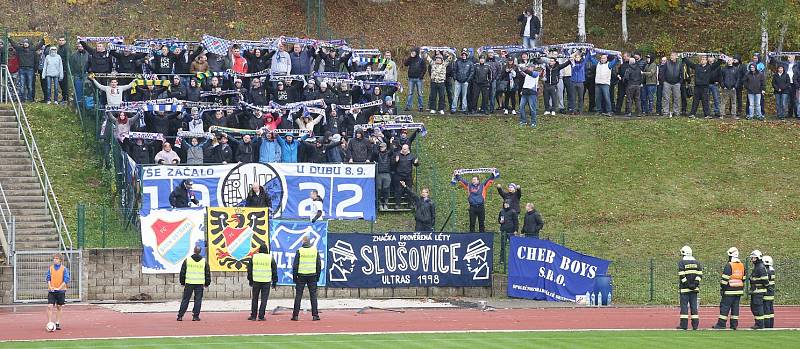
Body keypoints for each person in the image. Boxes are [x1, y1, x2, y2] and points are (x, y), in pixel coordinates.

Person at [712, 247, 745, 330]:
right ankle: (734, 325)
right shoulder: (741, 265)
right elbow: (743, 278)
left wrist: (723, 289)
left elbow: (724, 279)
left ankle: (721, 324)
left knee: (724, 307)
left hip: (729, 290)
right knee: (735, 308)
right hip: (739, 291)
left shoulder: (729, 265)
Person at [291, 236, 321, 321]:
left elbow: (295, 265)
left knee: (298, 295)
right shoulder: (315, 250)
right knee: (313, 296)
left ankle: (295, 315)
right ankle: (315, 315)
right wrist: (317, 276)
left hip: (301, 275)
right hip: (312, 275)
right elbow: (318, 264)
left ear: (303, 241)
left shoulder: (299, 251)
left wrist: (294, 277)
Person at [177, 246, 210, 321]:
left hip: (189, 283)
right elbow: (207, 273)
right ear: (200, 251)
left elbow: (182, 272)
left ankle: (180, 316)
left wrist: (182, 282)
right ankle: (195, 316)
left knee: (185, 299)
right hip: (199, 283)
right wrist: (207, 283)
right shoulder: (203, 261)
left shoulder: (187, 260)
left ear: (194, 251)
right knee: (198, 300)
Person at [247, 245, 278, 321]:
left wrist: (250, 280)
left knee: (255, 299)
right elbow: (274, 271)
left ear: (259, 250)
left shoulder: (254, 257)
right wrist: (274, 282)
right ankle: (261, 316)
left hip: (256, 281)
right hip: (266, 281)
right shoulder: (270, 258)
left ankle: (253, 316)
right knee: (264, 300)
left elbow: (249, 270)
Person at [676, 245, 702, 330]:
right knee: (694, 307)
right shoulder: (697, 263)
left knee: (684, 307)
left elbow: (682, 275)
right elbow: (699, 275)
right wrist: (695, 284)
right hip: (694, 289)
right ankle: (695, 325)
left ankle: (684, 325)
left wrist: (687, 284)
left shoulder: (682, 263)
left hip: (684, 289)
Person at [46, 253, 70, 330]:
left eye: (56, 258)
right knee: (49, 306)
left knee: (59, 307)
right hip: (52, 291)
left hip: (61, 291)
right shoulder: (51, 268)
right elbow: (48, 278)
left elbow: (66, 280)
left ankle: (57, 323)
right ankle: (49, 323)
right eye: (54, 258)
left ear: (60, 260)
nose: (54, 260)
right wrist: (50, 286)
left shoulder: (64, 269)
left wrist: (59, 288)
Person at [748, 250, 768, 329]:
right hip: (755, 291)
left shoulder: (760, 267)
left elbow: (765, 280)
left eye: (753, 258)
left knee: (757, 307)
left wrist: (754, 281)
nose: (752, 259)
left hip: (758, 291)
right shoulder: (757, 266)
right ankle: (758, 323)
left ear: (757, 258)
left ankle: (760, 324)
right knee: (753, 307)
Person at [404, 48, 426, 112]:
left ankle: (421, 106)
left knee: (419, 93)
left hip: (418, 79)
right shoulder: (411, 59)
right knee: (410, 93)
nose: (412, 53)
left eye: (414, 52)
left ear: (416, 52)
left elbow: (424, 69)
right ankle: (408, 106)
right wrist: (410, 57)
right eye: (412, 52)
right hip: (411, 79)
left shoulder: (421, 60)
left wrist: (421, 76)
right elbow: (405, 64)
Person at [762, 255, 775, 329]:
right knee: (770, 310)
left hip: (767, 293)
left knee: (766, 310)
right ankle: (771, 324)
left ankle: (767, 325)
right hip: (771, 293)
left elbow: (764, 282)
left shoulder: (767, 271)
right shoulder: (772, 270)